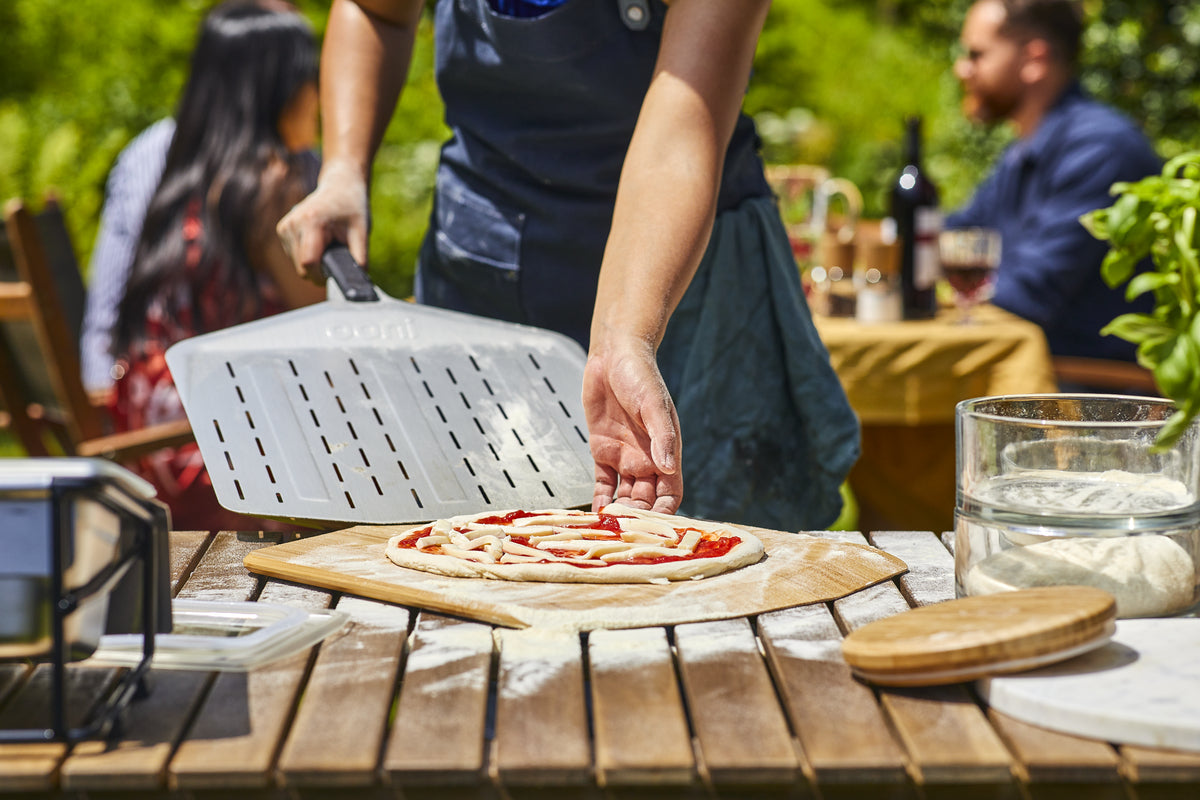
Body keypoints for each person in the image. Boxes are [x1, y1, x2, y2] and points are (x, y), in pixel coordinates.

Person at [277, 0, 859, 530]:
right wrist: (344, 169)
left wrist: (622, 339)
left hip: (685, 278)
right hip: (481, 262)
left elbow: (681, 128)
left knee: (709, 574)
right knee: (465, 552)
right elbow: (378, 12)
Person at [109, 0, 327, 531]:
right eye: (311, 77)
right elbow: (326, 322)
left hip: (149, 442)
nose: (322, 95)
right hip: (221, 454)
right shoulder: (271, 184)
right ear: (273, 89)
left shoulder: (183, 172)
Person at [947, 0, 1160, 362]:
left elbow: (1030, 294)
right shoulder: (1027, 148)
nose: (961, 68)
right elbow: (959, 236)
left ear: (1035, 60)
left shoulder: (1099, 148)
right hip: (1022, 372)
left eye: (976, 54)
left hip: (1086, 396)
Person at [80, 118, 176, 401]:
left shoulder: (145, 148)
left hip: (109, 381)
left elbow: (103, 318)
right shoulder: (162, 152)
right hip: (156, 399)